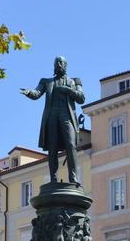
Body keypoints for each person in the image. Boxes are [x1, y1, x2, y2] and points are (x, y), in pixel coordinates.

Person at [20, 56, 85, 184]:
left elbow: (81, 98)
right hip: (52, 117)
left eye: (62, 62)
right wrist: (28, 92)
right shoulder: (46, 82)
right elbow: (36, 93)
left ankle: (73, 177)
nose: (60, 64)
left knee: (71, 145)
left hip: (67, 116)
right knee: (52, 147)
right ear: (54, 66)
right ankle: (53, 179)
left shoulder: (74, 81)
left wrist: (67, 90)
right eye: (57, 62)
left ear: (66, 65)